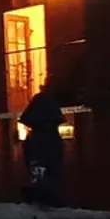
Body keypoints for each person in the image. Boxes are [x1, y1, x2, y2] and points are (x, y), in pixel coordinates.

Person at [19, 68, 76, 206]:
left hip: (39, 142)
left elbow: (26, 118)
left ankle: (44, 193)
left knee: (43, 172)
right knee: (47, 173)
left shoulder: (43, 100)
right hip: (46, 142)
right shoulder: (47, 101)